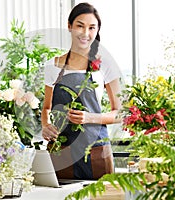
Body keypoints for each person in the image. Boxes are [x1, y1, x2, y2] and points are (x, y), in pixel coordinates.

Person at [41, 2, 122, 180]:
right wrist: (46, 126)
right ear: (69, 26)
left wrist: (90, 118)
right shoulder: (52, 66)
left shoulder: (105, 64)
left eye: (92, 27)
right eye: (80, 25)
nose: (85, 33)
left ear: (97, 30)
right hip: (62, 151)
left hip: (97, 149)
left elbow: (120, 113)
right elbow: (46, 108)